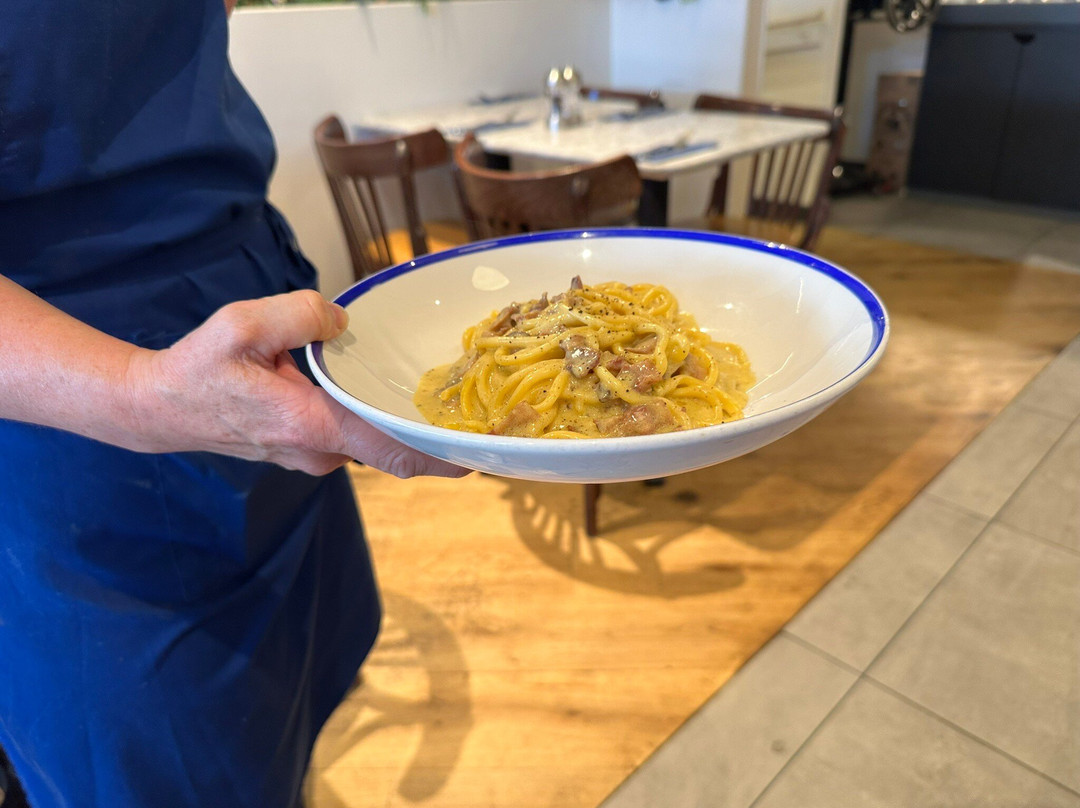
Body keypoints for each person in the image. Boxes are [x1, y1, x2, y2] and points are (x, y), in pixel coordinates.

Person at [0, 1, 466, 806]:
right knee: (158, 750)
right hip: (81, 414)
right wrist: (139, 392)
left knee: (283, 700)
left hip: (253, 334)